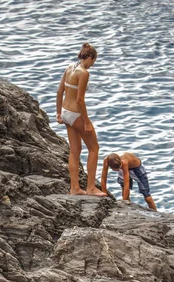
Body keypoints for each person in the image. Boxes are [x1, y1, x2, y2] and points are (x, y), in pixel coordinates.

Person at [56, 42, 106, 196]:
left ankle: (75, 188)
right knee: (94, 148)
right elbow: (80, 100)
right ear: (90, 58)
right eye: (93, 62)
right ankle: (91, 187)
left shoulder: (69, 67)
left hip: (65, 113)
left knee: (74, 151)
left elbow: (59, 91)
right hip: (76, 114)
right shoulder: (83, 73)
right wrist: (86, 122)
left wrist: (58, 113)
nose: (93, 65)